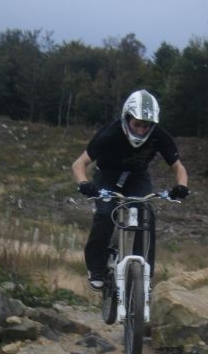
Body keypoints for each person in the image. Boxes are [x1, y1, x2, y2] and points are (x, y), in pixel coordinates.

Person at [72, 89, 189, 289]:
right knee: (105, 214)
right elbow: (79, 163)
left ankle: (144, 274)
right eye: (137, 124)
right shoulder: (110, 132)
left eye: (146, 126)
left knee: (146, 213)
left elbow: (179, 167)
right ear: (127, 118)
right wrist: (84, 183)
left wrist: (181, 186)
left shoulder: (158, 135)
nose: (141, 130)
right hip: (107, 175)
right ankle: (96, 267)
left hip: (137, 177)